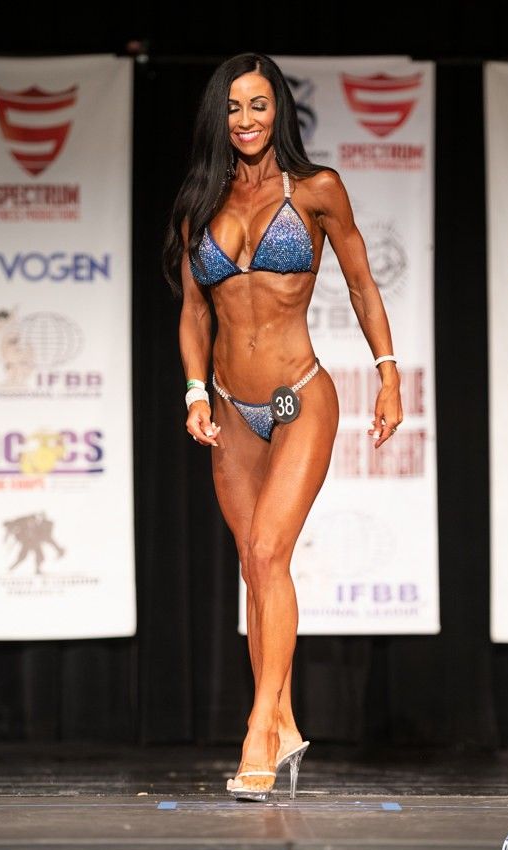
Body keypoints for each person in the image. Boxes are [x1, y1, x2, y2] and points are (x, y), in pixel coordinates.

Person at [162, 51, 403, 802]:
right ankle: (289, 722)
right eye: (233, 107)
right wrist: (196, 392)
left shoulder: (317, 190)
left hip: (300, 395)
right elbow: (194, 311)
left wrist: (388, 373)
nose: (246, 120)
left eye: (258, 105)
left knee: (269, 550)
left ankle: (260, 728)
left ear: (279, 111)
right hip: (230, 406)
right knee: (255, 565)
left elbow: (361, 284)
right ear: (219, 115)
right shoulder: (200, 201)